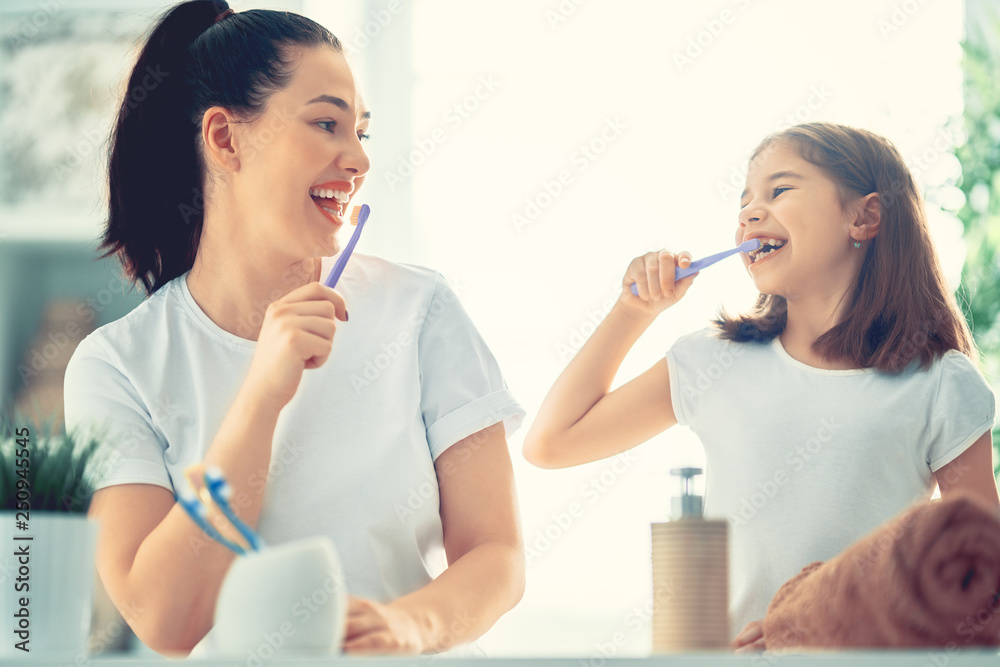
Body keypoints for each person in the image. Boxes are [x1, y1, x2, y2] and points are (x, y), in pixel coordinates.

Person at [63, 1, 525, 657]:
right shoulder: (114, 364)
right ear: (225, 139)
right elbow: (166, 619)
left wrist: (410, 624)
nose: (358, 158)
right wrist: (261, 395)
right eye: (327, 123)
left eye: (361, 130)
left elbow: (497, 553)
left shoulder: (420, 310)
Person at [522, 122, 999, 652]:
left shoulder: (937, 382)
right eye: (744, 200)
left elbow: (983, 576)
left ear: (863, 217)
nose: (749, 212)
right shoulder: (714, 362)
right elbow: (551, 442)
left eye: (780, 190)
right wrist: (633, 311)